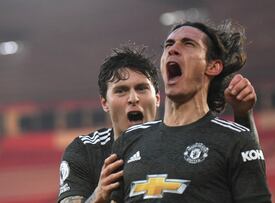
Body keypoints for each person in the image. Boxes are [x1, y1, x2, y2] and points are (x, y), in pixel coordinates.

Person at [58, 43, 258, 202]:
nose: (133, 98)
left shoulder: (190, 139)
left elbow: (249, 176)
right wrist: (98, 196)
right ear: (104, 103)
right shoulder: (85, 150)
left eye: (142, 88)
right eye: (121, 90)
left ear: (158, 98)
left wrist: (243, 114)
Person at [111, 21, 271, 203]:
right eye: (168, 45)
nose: (173, 49)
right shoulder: (128, 141)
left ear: (212, 67)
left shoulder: (234, 139)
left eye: (188, 44)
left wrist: (244, 115)